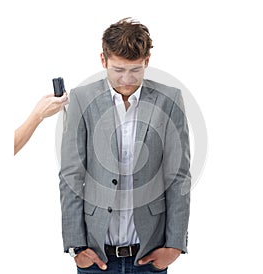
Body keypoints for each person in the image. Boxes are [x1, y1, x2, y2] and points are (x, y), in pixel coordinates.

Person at [59, 18, 191, 273]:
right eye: (118, 69)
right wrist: (76, 245)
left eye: (135, 70)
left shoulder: (169, 100)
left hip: (150, 253)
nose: (127, 79)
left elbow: (178, 176)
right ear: (103, 60)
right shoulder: (82, 99)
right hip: (96, 256)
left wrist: (175, 246)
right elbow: (71, 176)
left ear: (147, 62)